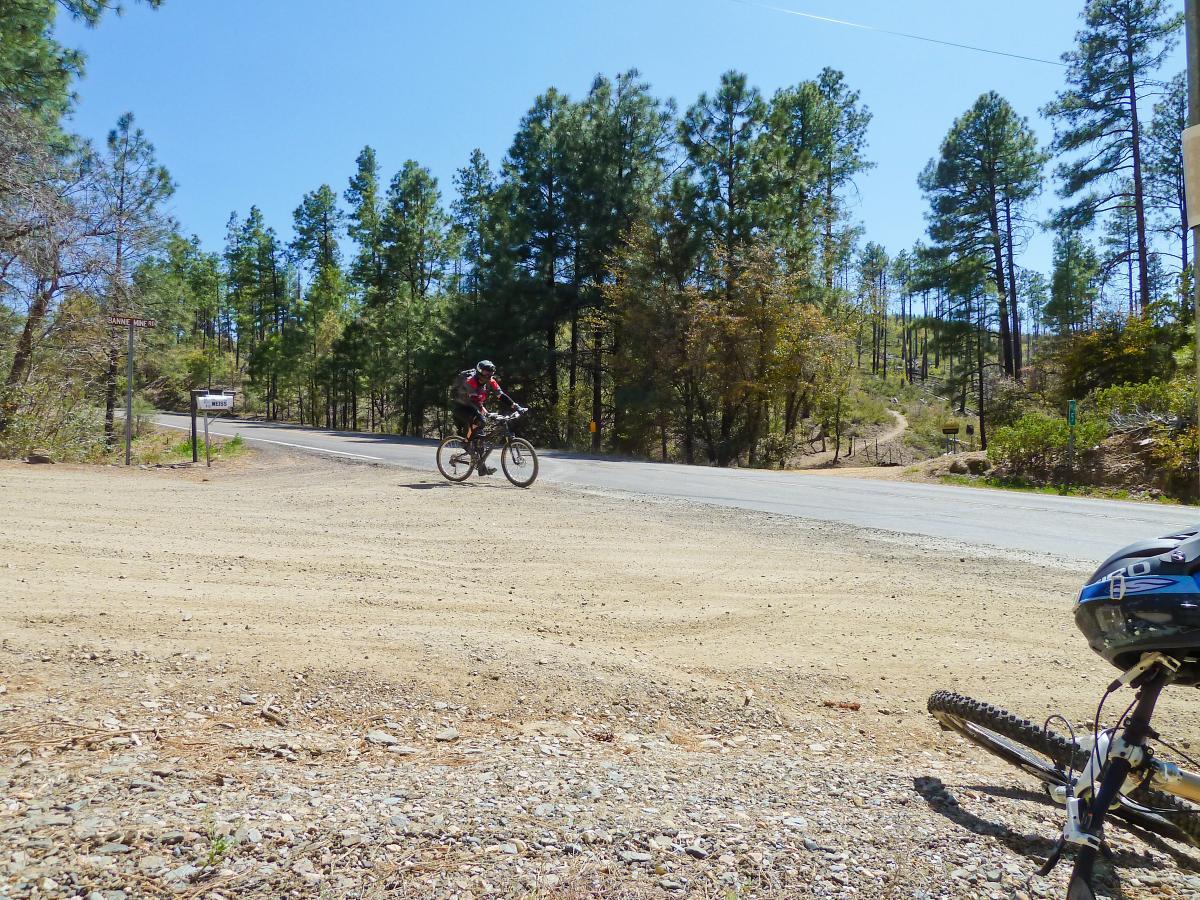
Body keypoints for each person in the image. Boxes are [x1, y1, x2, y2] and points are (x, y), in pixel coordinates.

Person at [451, 360, 519, 475]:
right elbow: (474, 401)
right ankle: (466, 443)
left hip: (474, 407)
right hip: (461, 407)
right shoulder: (470, 381)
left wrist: (515, 405)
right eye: (486, 373)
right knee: (480, 421)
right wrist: (485, 412)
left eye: (490, 374)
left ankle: (481, 468)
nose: (488, 376)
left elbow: (500, 395)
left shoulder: (490, 381)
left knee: (481, 438)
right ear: (479, 372)